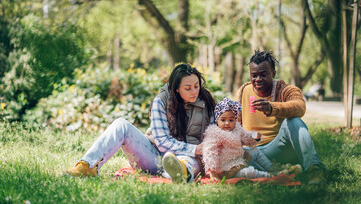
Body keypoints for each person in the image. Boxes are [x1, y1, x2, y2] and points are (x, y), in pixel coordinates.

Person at [65, 63, 216, 183]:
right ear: (176, 89)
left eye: (196, 86)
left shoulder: (207, 102)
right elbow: (162, 142)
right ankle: (87, 166)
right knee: (121, 124)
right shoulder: (161, 102)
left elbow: (214, 133)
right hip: (155, 157)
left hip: (190, 159)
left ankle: (179, 173)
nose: (194, 91)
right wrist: (195, 148)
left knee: (188, 162)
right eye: (188, 88)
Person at [235, 50, 326, 185]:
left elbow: (300, 106)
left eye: (263, 75)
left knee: (294, 121)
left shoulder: (285, 89)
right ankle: (284, 170)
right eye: (254, 75)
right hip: (250, 151)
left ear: (273, 73)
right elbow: (235, 123)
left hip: (276, 148)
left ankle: (315, 170)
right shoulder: (243, 91)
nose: (258, 79)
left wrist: (272, 108)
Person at [202, 97, 272, 180]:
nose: (227, 123)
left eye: (231, 120)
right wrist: (213, 172)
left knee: (255, 151)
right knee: (248, 172)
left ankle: (273, 168)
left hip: (240, 160)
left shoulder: (237, 129)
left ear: (235, 120)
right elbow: (209, 152)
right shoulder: (214, 133)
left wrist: (255, 137)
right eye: (223, 120)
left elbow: (247, 138)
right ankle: (268, 176)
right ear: (217, 120)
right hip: (227, 169)